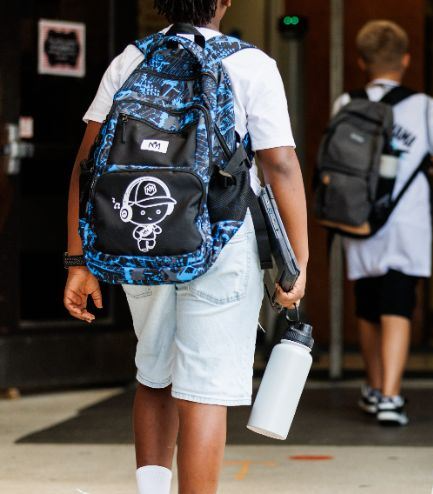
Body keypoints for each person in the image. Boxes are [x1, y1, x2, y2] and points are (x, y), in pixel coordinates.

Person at [62, 1, 308, 493]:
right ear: (224, 3)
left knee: (154, 374)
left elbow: (86, 165)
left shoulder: (130, 60)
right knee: (203, 390)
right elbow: (280, 166)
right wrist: (297, 262)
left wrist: (78, 259)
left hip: (137, 242)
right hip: (222, 242)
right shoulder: (252, 66)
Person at [333, 20, 433, 426]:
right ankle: (391, 396)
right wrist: (430, 163)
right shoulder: (424, 106)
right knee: (397, 305)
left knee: (369, 305)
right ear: (406, 60)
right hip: (405, 221)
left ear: (362, 62)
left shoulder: (346, 102)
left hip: (357, 217)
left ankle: (375, 388)